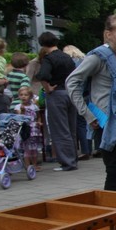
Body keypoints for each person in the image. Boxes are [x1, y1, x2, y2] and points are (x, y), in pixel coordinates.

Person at [67, 14, 116, 192]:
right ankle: (111, 206)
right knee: (115, 170)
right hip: (106, 120)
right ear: (108, 34)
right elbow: (72, 82)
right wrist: (87, 114)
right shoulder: (98, 57)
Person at [37, 32, 79, 172]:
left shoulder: (48, 58)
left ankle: (67, 162)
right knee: (71, 128)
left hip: (57, 94)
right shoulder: (67, 57)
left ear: (42, 44)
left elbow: (43, 75)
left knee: (60, 129)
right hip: (70, 93)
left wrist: (47, 88)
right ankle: (73, 158)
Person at [16, 85, 42, 171]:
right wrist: (23, 111)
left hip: (34, 129)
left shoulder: (34, 107)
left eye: (26, 95)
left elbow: (38, 116)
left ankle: (34, 164)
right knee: (26, 148)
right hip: (25, 130)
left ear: (30, 96)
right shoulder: (18, 107)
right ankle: (27, 165)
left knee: (34, 148)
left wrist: (39, 122)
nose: (23, 96)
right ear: (19, 96)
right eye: (21, 95)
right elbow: (20, 117)